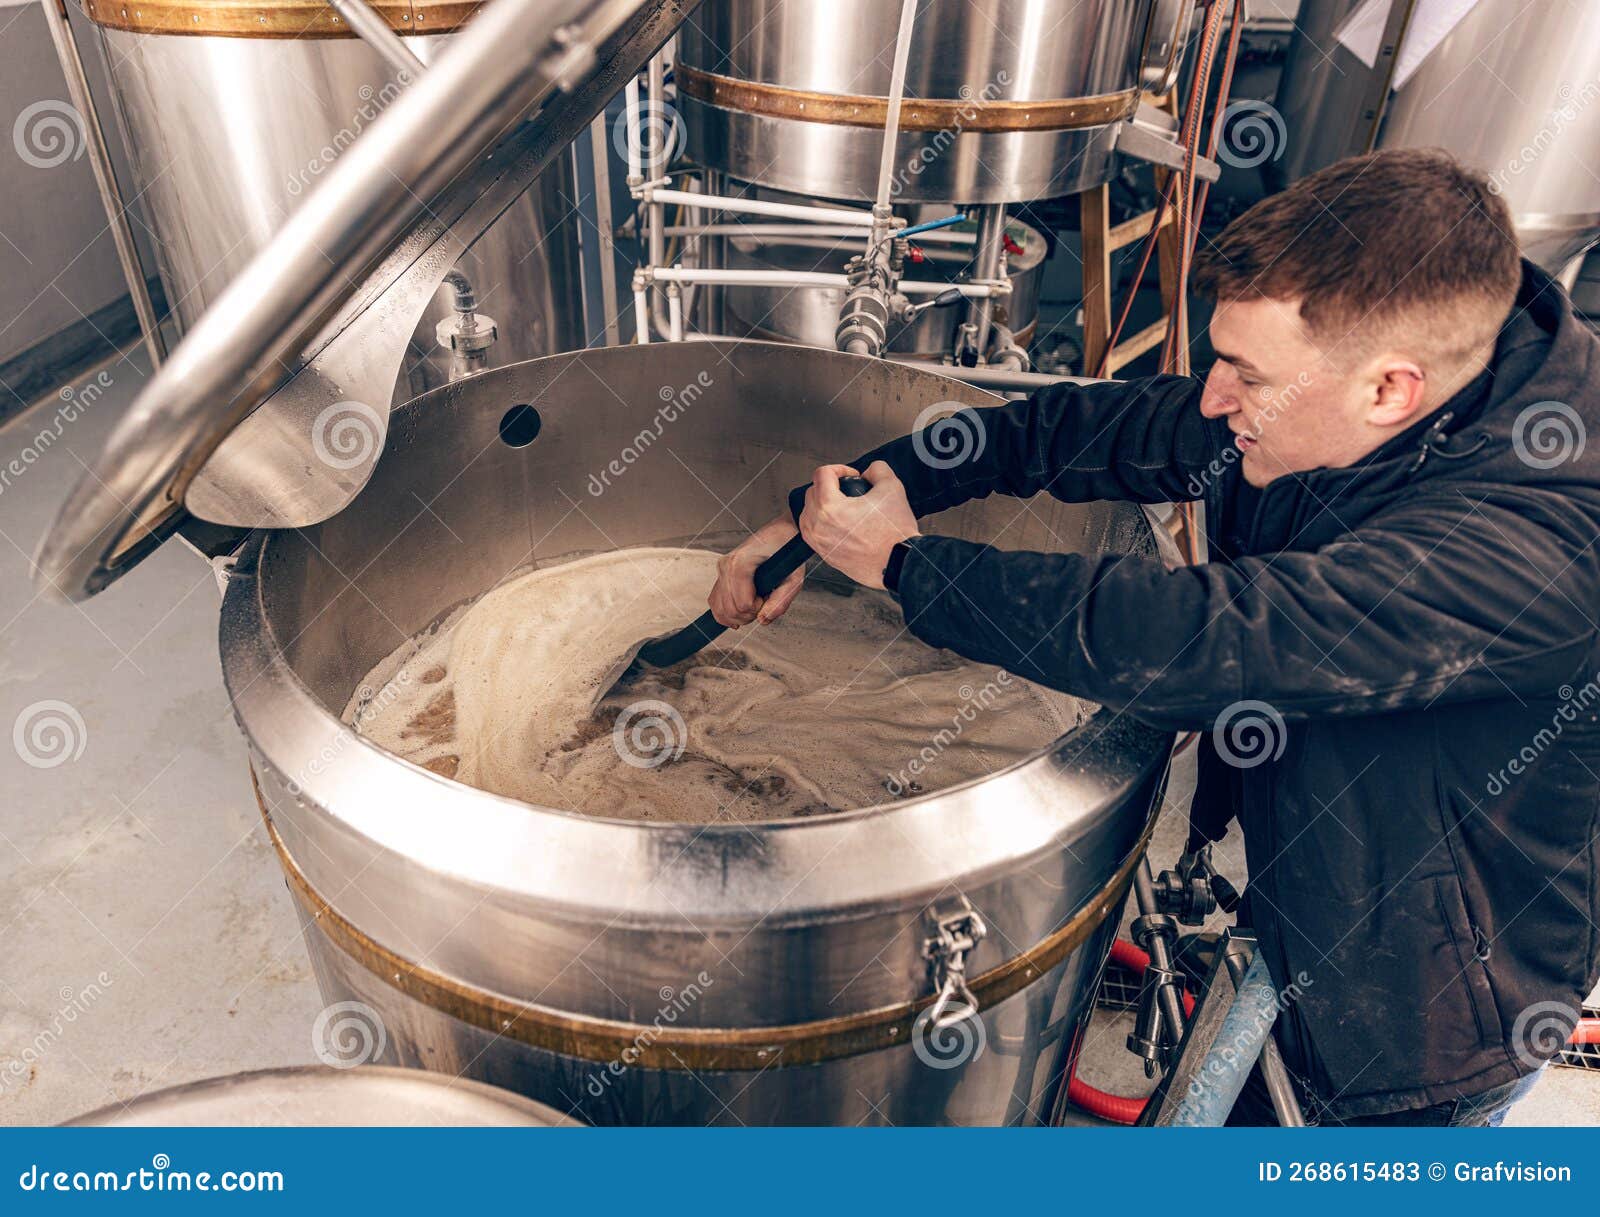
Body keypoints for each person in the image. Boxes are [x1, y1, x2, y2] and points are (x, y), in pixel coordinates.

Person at [706, 149, 1600, 1126]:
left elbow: (1217, 638)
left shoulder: (1541, 547)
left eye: (1246, 376)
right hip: (1314, 888)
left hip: (1411, 1020)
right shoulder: (1414, 372)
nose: (1213, 398)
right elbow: (1098, 428)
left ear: (1388, 389)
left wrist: (906, 567)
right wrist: (831, 513)